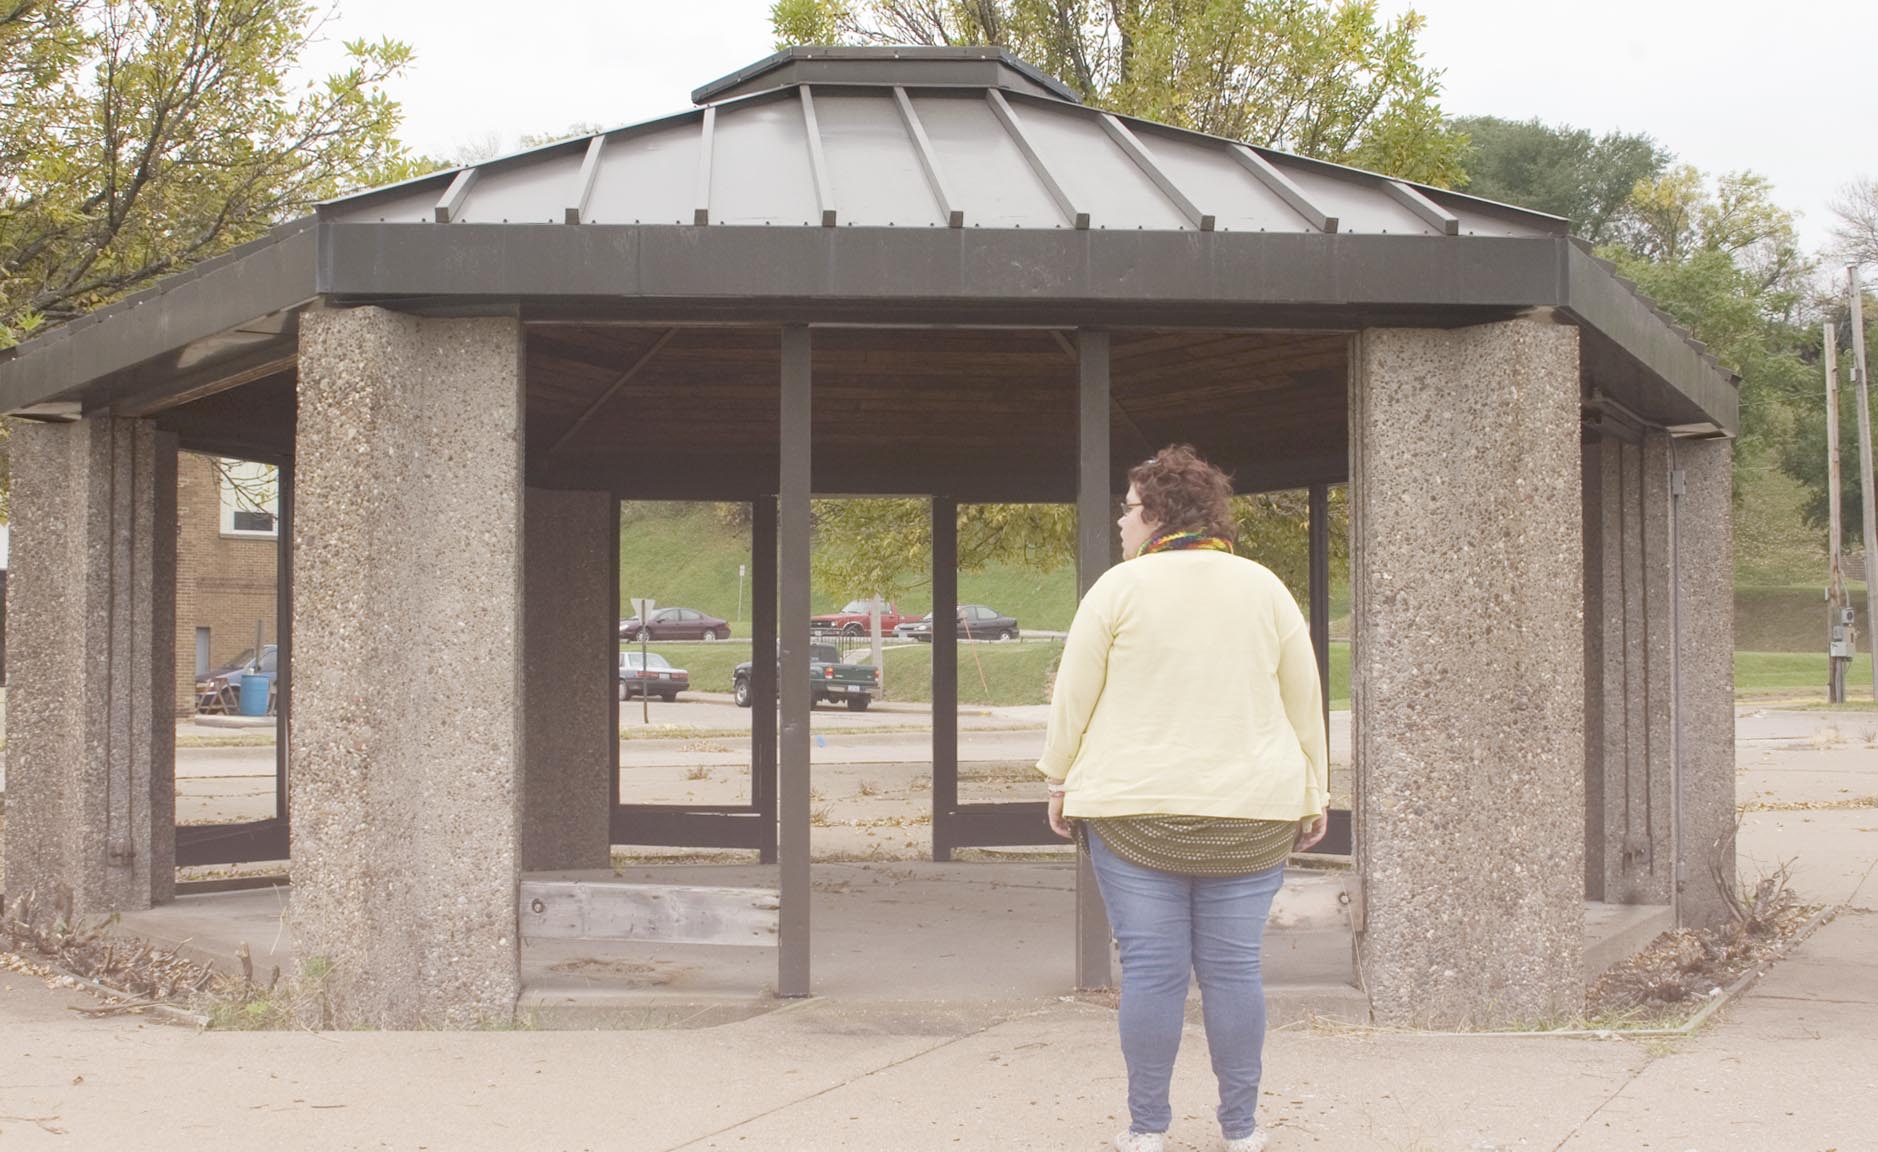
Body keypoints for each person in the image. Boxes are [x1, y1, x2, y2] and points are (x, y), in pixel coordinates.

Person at [1038, 444, 1328, 1152]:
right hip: (1252, 812)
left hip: (1132, 810)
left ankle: (1145, 1130)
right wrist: (1315, 790)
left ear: (1160, 513)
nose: (1121, 523)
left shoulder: (1117, 590)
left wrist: (1059, 774)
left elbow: (1075, 694)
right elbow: (1304, 700)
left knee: (1151, 971)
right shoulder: (1266, 589)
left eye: (1130, 509)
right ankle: (1243, 1130)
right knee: (1233, 971)